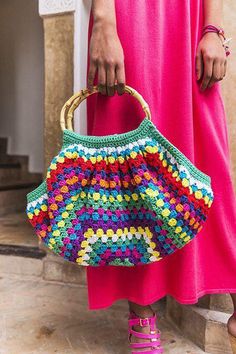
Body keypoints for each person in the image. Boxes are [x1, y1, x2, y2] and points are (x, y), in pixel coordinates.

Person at [85, 1, 236, 352]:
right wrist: (105, 22)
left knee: (208, 159)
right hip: (128, 15)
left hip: (189, 15)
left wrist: (213, 28)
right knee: (129, 158)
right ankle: (141, 312)